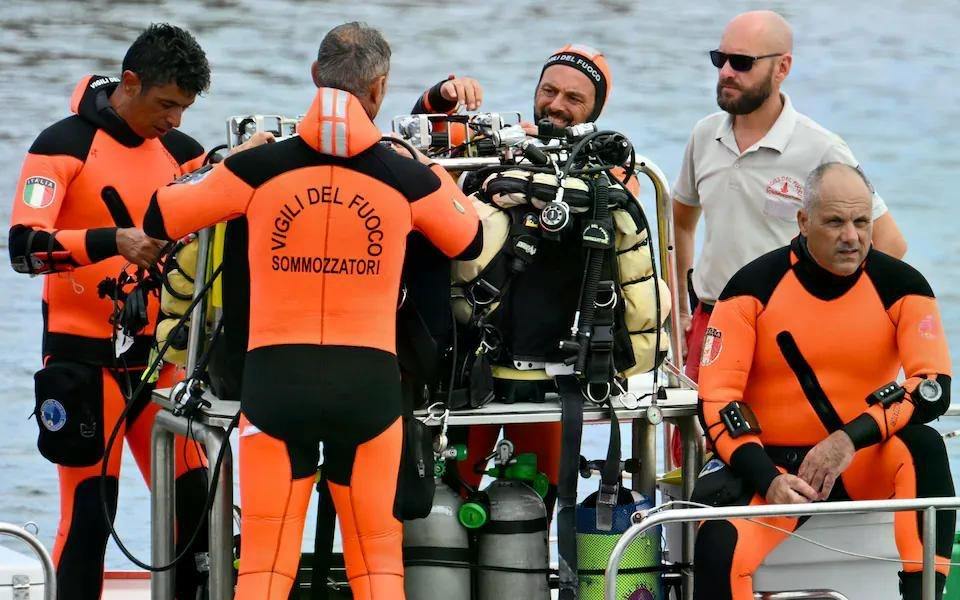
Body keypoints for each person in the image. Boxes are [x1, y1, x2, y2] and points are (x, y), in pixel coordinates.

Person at [143, 21, 482, 600]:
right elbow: (467, 240)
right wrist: (423, 164)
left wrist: (230, 162)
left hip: (275, 385)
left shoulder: (258, 168)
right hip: (369, 388)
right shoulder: (404, 175)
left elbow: (161, 216)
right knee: (376, 566)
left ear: (313, 78)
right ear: (378, 89)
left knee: (265, 568)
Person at [8, 24, 217, 599]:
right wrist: (112, 241)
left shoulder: (183, 153)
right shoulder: (61, 145)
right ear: (130, 83)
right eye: (165, 104)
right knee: (92, 518)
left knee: (197, 505)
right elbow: (23, 249)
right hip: (83, 362)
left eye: (185, 107)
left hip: (160, 362)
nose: (173, 119)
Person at [692, 162, 954, 600]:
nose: (851, 236)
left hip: (862, 459)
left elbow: (932, 386)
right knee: (719, 545)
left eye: (861, 221)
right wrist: (767, 479)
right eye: (834, 222)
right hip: (774, 467)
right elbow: (718, 401)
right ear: (803, 221)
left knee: (926, 446)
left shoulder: (903, 286)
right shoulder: (751, 288)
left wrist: (849, 439)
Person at [406, 45, 620, 512]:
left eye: (573, 98)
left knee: (535, 506)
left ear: (595, 111)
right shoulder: (500, 141)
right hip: (468, 362)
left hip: (548, 370)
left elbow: (626, 202)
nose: (556, 105)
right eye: (549, 90)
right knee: (440, 497)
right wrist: (440, 98)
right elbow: (412, 149)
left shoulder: (608, 167)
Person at [673, 10, 908, 383]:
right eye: (720, 59)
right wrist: (681, 311)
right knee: (691, 443)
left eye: (742, 62)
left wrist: (830, 313)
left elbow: (889, 244)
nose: (726, 72)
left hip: (783, 332)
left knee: (774, 442)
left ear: (782, 67)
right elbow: (680, 222)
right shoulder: (704, 136)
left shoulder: (822, 148)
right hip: (710, 324)